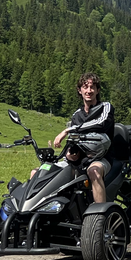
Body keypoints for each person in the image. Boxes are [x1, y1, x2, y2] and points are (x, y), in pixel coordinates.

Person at [47, 73, 115, 204]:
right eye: (85, 87)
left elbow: (101, 123)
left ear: (97, 90)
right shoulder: (77, 115)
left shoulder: (105, 107)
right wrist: (70, 154)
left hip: (102, 158)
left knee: (94, 171)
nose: (89, 91)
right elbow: (73, 141)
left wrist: (68, 130)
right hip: (79, 161)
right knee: (44, 172)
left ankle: (100, 215)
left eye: (92, 87)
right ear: (80, 90)